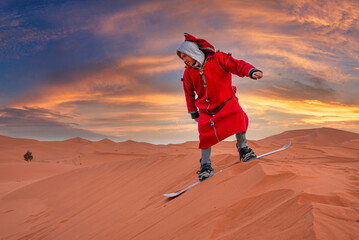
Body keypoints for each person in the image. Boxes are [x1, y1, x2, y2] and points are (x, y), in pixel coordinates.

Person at [176, 33, 263, 181]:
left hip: (226, 101)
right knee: (204, 134)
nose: (184, 60)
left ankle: (244, 151)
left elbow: (237, 65)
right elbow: (188, 94)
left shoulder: (219, 58)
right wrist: (194, 113)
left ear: (193, 52)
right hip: (206, 109)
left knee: (238, 117)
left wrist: (251, 71)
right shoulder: (189, 72)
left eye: (185, 56)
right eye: (182, 57)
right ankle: (205, 167)